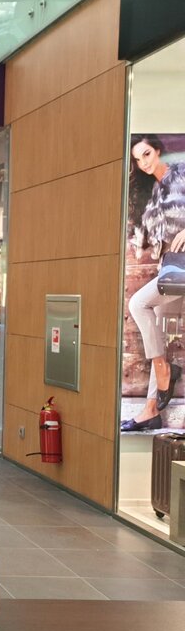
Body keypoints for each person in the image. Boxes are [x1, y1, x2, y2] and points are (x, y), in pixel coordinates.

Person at [122, 134, 185, 431]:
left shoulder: (180, 174)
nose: (143, 162)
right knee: (155, 333)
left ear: (158, 151)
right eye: (138, 159)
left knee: (138, 303)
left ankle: (164, 370)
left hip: (180, 268)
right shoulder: (154, 192)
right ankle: (151, 409)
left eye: (146, 154)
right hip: (172, 270)